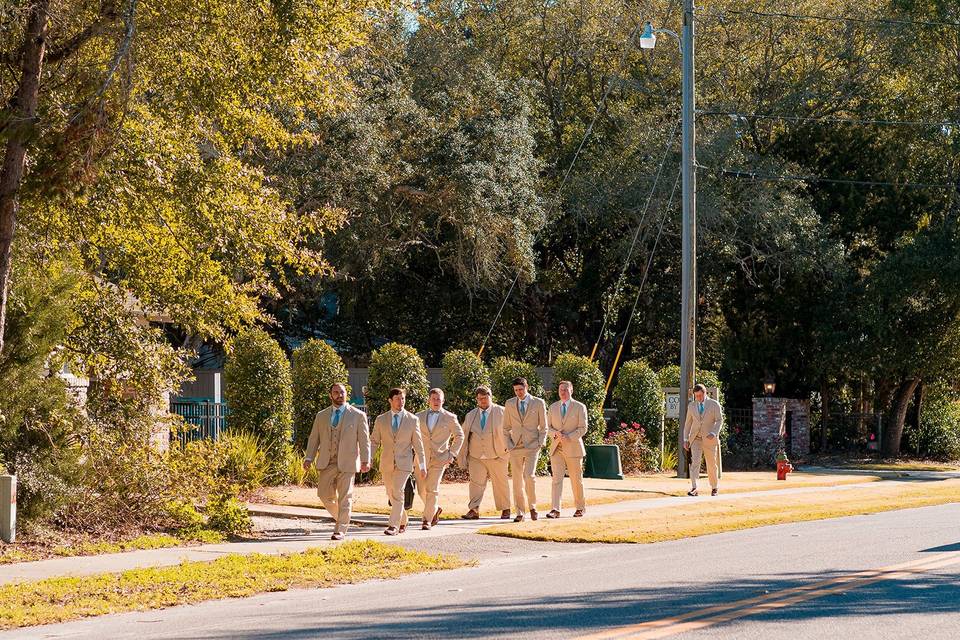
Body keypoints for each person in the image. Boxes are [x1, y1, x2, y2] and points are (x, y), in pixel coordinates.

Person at [303, 382, 371, 540]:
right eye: (336, 392)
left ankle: (340, 529)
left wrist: (366, 460)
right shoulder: (321, 415)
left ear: (346, 394)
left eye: (342, 392)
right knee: (323, 494)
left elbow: (364, 440)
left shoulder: (358, 415)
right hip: (327, 461)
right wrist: (309, 457)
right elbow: (314, 438)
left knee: (345, 496)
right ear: (330, 395)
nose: (339, 395)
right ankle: (342, 518)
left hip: (348, 462)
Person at [371, 388, 427, 535]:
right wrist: (368, 458)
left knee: (397, 491)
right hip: (387, 463)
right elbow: (374, 441)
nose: (400, 402)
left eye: (402, 398)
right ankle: (403, 519)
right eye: (397, 399)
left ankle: (393, 526)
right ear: (390, 400)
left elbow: (418, 445)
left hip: (404, 464)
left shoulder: (412, 420)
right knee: (391, 493)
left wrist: (422, 465)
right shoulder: (381, 420)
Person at [457, 386, 511, 520]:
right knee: (475, 484)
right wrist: (461, 455)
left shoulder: (502, 412)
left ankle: (505, 509)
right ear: (476, 399)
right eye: (480, 398)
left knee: (500, 483)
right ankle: (474, 510)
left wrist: (508, 449)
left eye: (485, 398)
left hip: (498, 454)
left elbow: (512, 432)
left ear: (490, 397)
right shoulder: (471, 415)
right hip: (476, 456)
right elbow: (462, 435)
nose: (483, 401)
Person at [414, 388, 465, 529]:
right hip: (420, 459)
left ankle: (427, 520)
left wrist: (451, 454)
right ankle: (435, 509)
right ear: (429, 400)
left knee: (432, 489)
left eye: (439, 399)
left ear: (443, 401)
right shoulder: (417, 417)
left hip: (440, 459)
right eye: (434, 399)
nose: (436, 401)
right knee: (421, 490)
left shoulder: (450, 417)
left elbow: (460, 436)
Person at [503, 377, 548, 521]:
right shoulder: (509, 404)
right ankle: (520, 512)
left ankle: (533, 507)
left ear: (526, 387)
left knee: (529, 476)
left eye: (521, 389)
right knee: (516, 480)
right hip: (515, 446)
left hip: (532, 446)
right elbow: (505, 428)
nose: (518, 393)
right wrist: (509, 444)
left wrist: (540, 443)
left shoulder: (538, 402)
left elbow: (544, 427)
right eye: (516, 390)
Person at [546, 380, 588, 518]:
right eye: (560, 390)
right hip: (556, 448)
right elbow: (548, 428)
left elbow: (583, 428)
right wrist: (555, 434)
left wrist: (569, 437)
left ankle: (580, 508)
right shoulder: (552, 407)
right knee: (556, 479)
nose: (562, 392)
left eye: (565, 389)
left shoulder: (579, 407)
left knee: (576, 479)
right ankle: (555, 509)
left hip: (574, 448)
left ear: (571, 390)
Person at [683, 383, 724, 496]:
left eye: (700, 395)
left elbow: (719, 420)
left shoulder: (714, 404)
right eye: (696, 396)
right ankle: (694, 488)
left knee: (711, 463)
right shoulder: (691, 406)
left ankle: (714, 487)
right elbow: (687, 424)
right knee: (695, 462)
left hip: (710, 438)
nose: (698, 398)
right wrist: (686, 439)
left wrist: (713, 432)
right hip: (695, 438)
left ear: (705, 393)